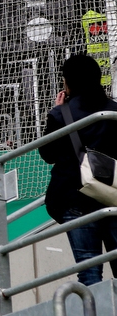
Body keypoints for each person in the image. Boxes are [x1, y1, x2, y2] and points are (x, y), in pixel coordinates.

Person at [39, 54, 117, 288]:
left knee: (89, 270)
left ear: (68, 82)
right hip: (113, 197)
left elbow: (48, 155)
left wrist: (58, 111)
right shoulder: (113, 111)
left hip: (75, 198)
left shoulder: (62, 114)